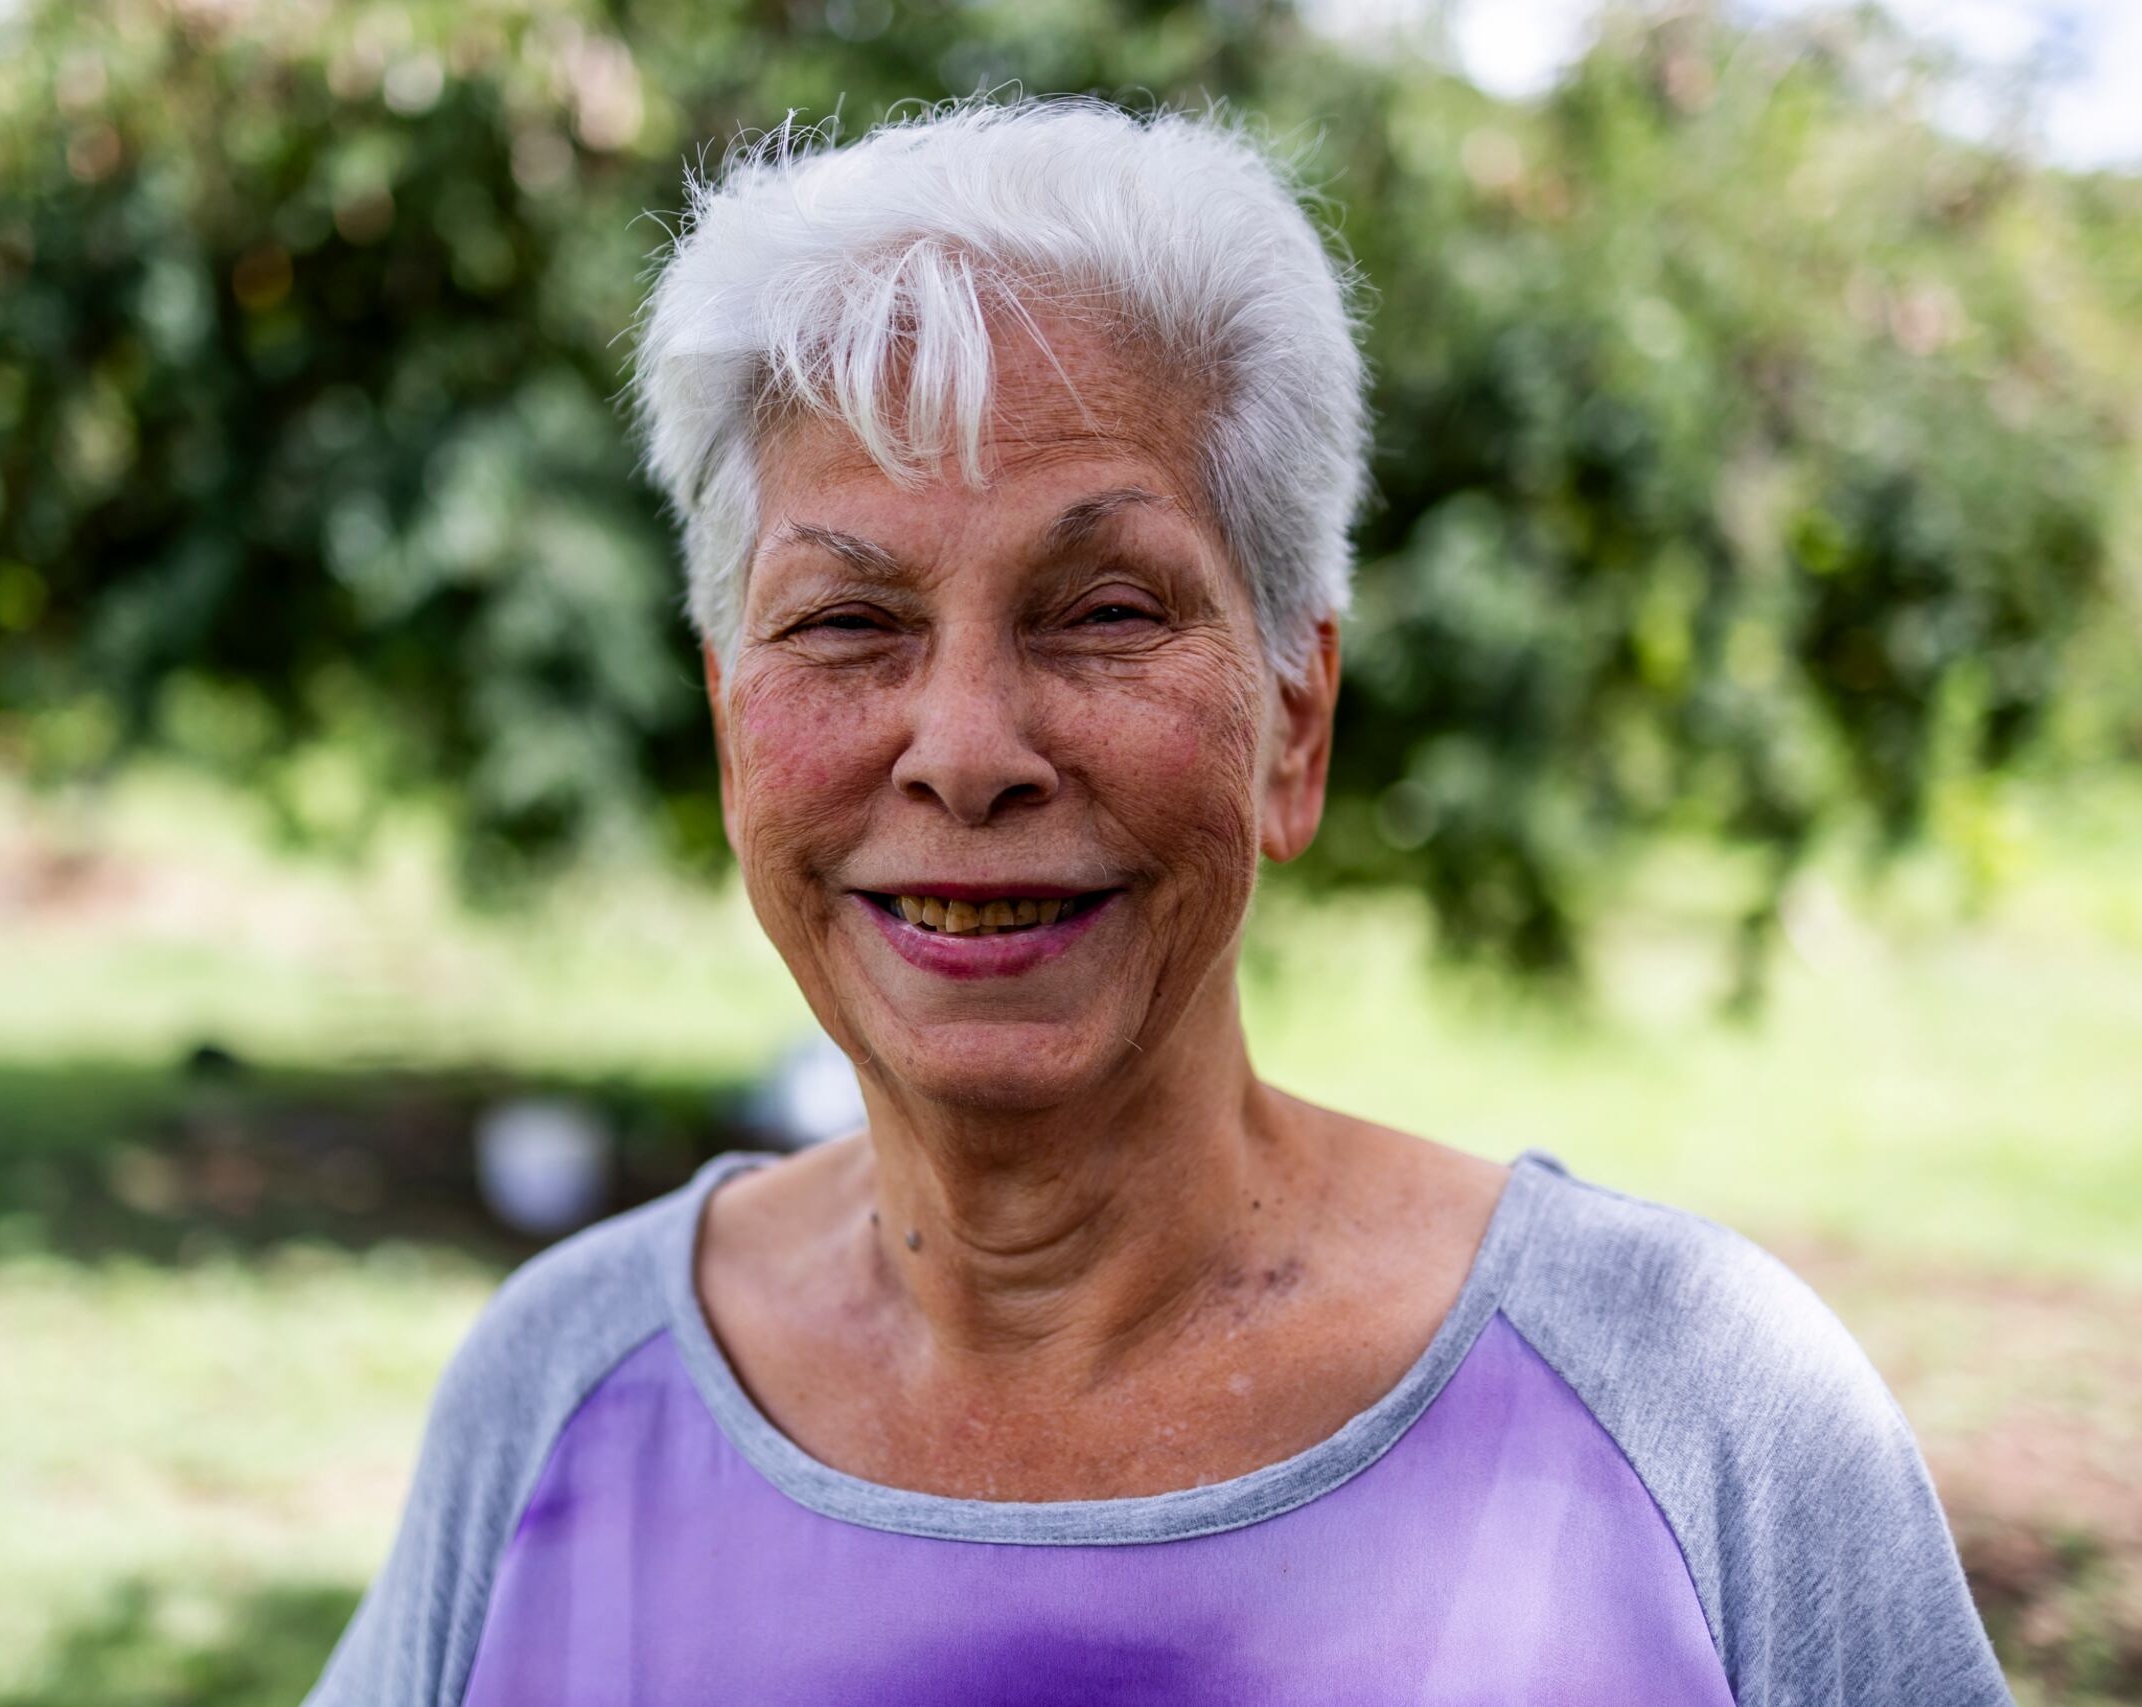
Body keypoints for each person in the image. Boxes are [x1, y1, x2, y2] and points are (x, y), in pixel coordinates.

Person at [307, 98, 2007, 1706]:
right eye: (844, 623)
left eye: (1107, 609)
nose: (965, 752)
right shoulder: (562, 1403)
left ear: (1295, 723)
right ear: (731, 722)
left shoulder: (1692, 1410)